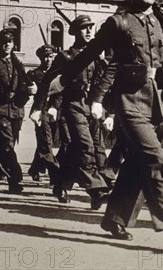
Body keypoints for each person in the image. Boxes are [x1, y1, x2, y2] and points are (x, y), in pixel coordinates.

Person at [46, 0, 163, 250]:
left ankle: (115, 217)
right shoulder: (118, 23)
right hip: (131, 101)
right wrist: (63, 80)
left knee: (139, 163)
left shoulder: (161, 21)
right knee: (154, 159)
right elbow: (90, 54)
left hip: (160, 103)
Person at [32, 15, 113, 207]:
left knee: (81, 149)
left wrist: (108, 110)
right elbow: (46, 81)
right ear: (75, 32)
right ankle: (96, 190)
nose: (88, 31)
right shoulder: (65, 57)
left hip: (91, 105)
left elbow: (105, 82)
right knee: (86, 146)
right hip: (73, 105)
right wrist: (38, 108)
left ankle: (61, 183)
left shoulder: (96, 55)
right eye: (84, 28)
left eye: (91, 27)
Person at [0, 28, 36, 193]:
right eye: (3, 43)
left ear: (13, 44)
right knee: (7, 145)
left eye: (9, 42)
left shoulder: (18, 65)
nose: (6, 45)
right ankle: (14, 180)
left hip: (16, 111)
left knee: (2, 146)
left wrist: (29, 91)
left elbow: (25, 86)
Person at [27, 45, 60, 184]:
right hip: (40, 112)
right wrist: (29, 89)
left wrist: (55, 107)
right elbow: (23, 88)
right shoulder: (34, 74)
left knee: (46, 141)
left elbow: (60, 93)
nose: (48, 59)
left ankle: (35, 168)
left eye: (51, 56)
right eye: (45, 57)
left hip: (55, 111)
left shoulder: (58, 74)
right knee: (46, 142)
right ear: (40, 58)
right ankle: (54, 175)